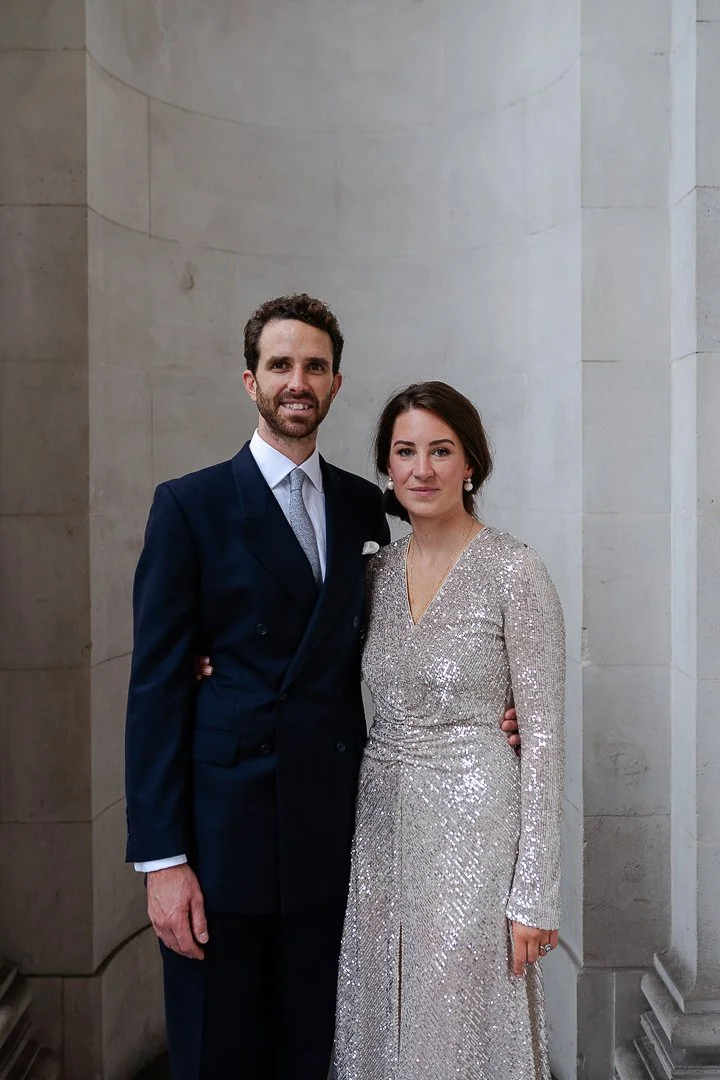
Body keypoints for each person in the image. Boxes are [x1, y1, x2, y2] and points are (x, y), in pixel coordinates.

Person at [124, 295, 521, 1080]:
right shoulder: (189, 506)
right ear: (250, 381)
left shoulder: (361, 505)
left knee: (315, 1054)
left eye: (314, 366)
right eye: (280, 365)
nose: (296, 381)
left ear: (336, 384)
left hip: (334, 835)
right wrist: (162, 862)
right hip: (222, 838)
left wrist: (485, 713)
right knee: (216, 1056)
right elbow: (156, 690)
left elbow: (417, 617)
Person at [333, 382, 565, 1080]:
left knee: (457, 1027)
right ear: (387, 466)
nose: (422, 469)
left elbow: (545, 738)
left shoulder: (514, 570)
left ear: (471, 464)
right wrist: (209, 662)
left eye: (441, 450)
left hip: (477, 833)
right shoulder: (371, 573)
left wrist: (536, 895)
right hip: (378, 826)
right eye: (405, 452)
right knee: (379, 1014)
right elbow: (306, 666)